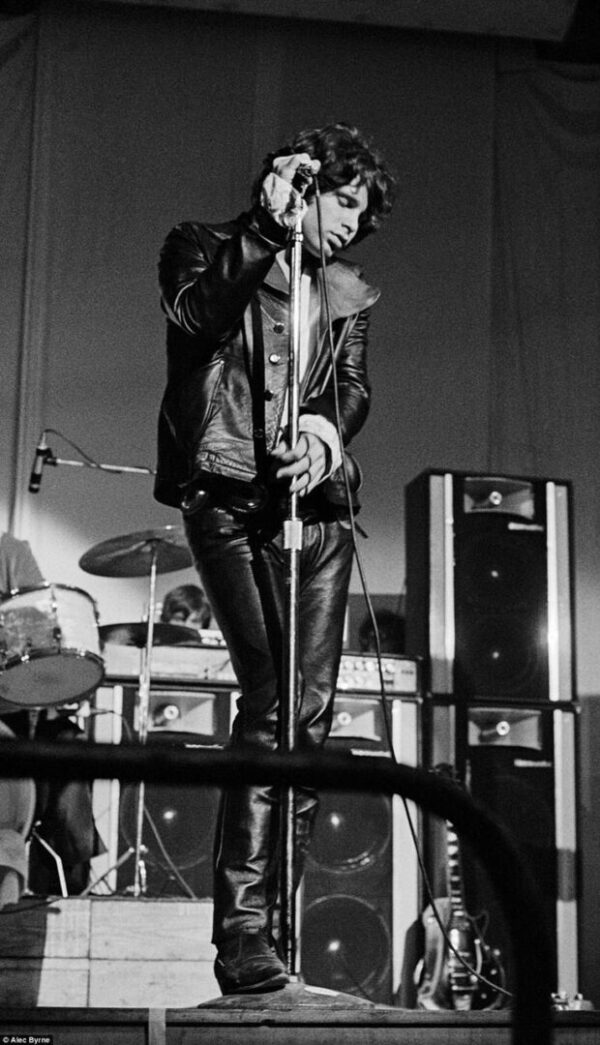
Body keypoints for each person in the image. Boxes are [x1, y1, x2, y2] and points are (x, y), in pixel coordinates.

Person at [155, 122, 395, 995]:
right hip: (227, 497)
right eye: (343, 199)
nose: (351, 222)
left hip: (319, 513)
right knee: (268, 696)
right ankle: (243, 934)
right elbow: (194, 317)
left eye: (363, 211)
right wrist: (262, 229)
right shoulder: (204, 247)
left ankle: (281, 933)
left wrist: (328, 436)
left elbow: (352, 388)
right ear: (299, 183)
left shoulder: (348, 292)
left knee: (310, 711)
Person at [0, 531, 105, 896]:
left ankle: (64, 888)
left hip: (13, 707)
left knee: (70, 748)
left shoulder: (9, 551)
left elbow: (39, 634)